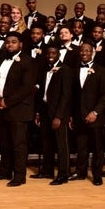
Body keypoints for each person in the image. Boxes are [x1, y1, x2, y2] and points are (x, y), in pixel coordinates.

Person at [0, 32, 37, 187]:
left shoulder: (28, 61)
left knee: (18, 144)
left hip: (18, 109)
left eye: (13, 42)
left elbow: (26, 87)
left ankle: (19, 176)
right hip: (0, 108)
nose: (10, 45)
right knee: (4, 143)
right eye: (7, 42)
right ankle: (4, 171)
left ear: (20, 44)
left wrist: (7, 102)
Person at [70, 41, 105, 186]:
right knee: (81, 147)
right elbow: (73, 96)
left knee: (98, 148)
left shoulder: (101, 70)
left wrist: (95, 112)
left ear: (92, 52)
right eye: (82, 51)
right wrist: (71, 116)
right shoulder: (73, 70)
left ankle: (97, 175)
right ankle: (80, 172)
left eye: (87, 51)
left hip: (95, 117)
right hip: (78, 116)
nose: (84, 53)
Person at [33, 45, 73, 185]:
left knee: (61, 145)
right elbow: (42, 93)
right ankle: (47, 170)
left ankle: (63, 174)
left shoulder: (65, 70)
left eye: (53, 52)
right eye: (48, 52)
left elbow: (66, 95)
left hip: (58, 113)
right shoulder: (44, 69)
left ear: (58, 55)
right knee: (46, 142)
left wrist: (59, 116)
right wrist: (38, 112)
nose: (50, 54)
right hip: (44, 110)